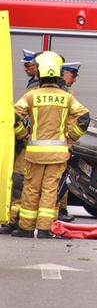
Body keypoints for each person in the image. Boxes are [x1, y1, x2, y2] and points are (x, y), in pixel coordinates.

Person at [11, 51, 90, 239]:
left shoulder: (32, 95)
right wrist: (71, 137)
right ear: (57, 75)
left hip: (35, 153)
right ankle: (45, 229)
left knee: (31, 189)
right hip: (57, 154)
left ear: (40, 74)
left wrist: (23, 135)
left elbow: (13, 116)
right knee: (50, 190)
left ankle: (26, 228)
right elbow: (84, 118)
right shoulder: (66, 97)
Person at [0, 49, 40, 234]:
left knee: (20, 181)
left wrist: (22, 135)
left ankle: (16, 221)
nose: (25, 69)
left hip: (29, 145)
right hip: (32, 143)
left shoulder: (36, 88)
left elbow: (19, 116)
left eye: (28, 65)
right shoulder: (34, 85)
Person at [57, 62, 81, 223]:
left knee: (61, 177)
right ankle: (58, 209)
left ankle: (61, 209)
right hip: (59, 145)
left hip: (59, 145)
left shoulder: (66, 93)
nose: (74, 80)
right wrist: (71, 139)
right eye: (72, 76)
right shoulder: (63, 95)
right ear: (63, 73)